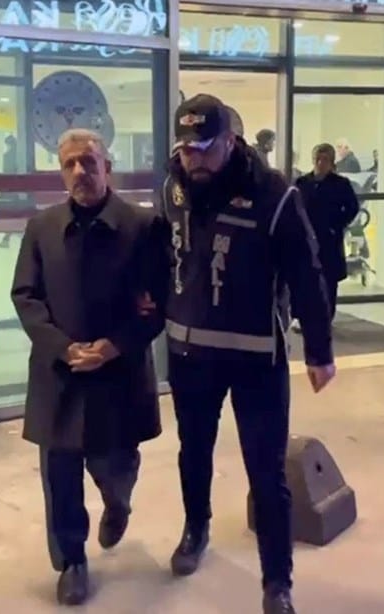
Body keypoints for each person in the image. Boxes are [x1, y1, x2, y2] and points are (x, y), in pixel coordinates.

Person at [160, 94, 336, 614]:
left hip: (257, 356)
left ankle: (277, 582)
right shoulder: (172, 187)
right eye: (186, 148)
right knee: (193, 451)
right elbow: (161, 250)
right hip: (190, 352)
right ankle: (196, 527)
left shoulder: (273, 193)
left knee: (267, 472)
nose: (194, 158)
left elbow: (307, 272)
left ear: (231, 141)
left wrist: (319, 350)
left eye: (205, 148)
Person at [12, 128, 168, 606]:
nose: (79, 171)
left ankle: (118, 502)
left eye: (88, 161)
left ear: (107, 166)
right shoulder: (41, 228)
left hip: (118, 373)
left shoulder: (143, 226)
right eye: (69, 164)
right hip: (59, 374)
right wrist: (62, 348)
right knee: (59, 474)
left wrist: (116, 346)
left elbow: (160, 303)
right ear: (61, 173)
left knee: (115, 465)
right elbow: (26, 296)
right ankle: (71, 562)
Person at [294, 142, 361, 317]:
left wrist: (337, 224)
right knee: (306, 277)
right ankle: (304, 315)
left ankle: (327, 315)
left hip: (329, 237)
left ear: (331, 162)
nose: (320, 163)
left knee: (329, 279)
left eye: (325, 160)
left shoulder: (340, 184)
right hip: (306, 238)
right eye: (318, 159)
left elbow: (352, 207)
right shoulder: (302, 183)